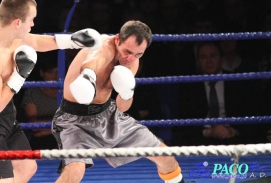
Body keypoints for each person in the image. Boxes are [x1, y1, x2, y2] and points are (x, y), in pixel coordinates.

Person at [0, 0, 102, 183]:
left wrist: (71, 41)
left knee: (27, 166)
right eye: (31, 19)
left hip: (5, 115)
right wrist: (19, 76)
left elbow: (36, 41)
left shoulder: (5, 30)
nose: (33, 24)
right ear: (17, 22)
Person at [52, 20, 185, 183]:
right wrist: (88, 76)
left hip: (107, 114)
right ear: (117, 39)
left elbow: (122, 108)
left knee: (166, 158)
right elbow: (94, 61)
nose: (131, 58)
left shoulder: (132, 61)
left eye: (138, 54)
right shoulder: (102, 46)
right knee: (74, 171)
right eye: (127, 51)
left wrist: (127, 92)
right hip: (74, 120)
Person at [176, 42, 259, 146]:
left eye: (213, 56)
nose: (209, 61)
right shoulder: (189, 86)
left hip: (234, 138)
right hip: (200, 140)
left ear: (221, 58)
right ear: (198, 61)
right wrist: (208, 132)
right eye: (203, 57)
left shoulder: (236, 81)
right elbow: (183, 122)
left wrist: (232, 130)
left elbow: (250, 113)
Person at [21, 51, 59, 150]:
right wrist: (62, 127)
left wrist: (48, 128)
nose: (55, 77)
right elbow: (35, 127)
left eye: (57, 72)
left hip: (69, 138)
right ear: (42, 73)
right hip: (44, 140)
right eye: (50, 72)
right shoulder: (33, 92)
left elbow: (79, 121)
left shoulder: (69, 91)